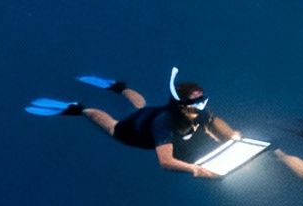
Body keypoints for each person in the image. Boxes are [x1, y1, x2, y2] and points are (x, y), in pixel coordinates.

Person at [24, 67, 239, 179]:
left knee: (142, 105)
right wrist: (195, 170)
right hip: (136, 132)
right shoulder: (165, 123)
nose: (201, 105)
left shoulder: (193, 110)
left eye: (201, 100)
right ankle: (79, 109)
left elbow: (214, 120)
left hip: (153, 113)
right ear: (183, 104)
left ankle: (120, 87)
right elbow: (165, 161)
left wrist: (232, 136)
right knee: (111, 125)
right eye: (196, 102)